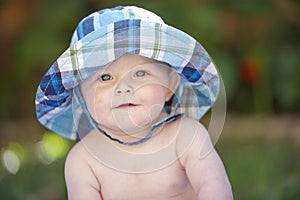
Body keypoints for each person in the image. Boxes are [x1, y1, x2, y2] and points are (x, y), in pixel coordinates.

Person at [35, 5, 233, 200]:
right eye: (105, 78)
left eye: (140, 73)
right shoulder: (83, 161)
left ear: (170, 85)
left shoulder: (187, 137)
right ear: (80, 97)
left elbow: (213, 186)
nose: (124, 88)